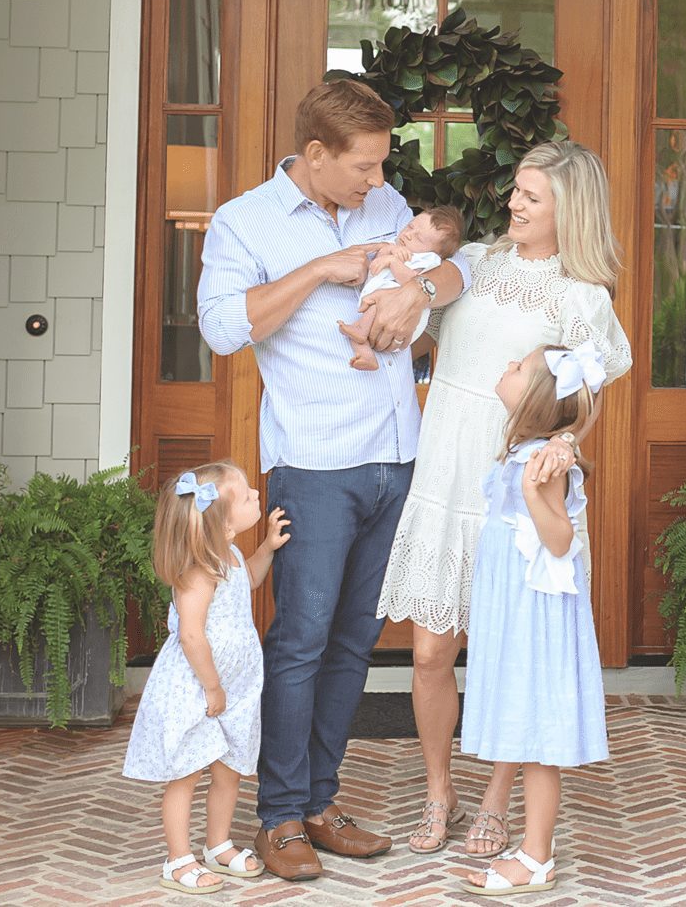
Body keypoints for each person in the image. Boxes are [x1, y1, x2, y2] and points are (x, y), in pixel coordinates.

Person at [196, 79, 472, 881]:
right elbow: (221, 329)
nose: (379, 182)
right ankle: (277, 817)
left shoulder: (387, 210)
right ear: (314, 155)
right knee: (300, 642)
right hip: (314, 466)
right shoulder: (243, 222)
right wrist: (319, 268)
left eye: (383, 165)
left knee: (353, 644)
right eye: (363, 166)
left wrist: (422, 285)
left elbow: (456, 276)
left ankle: (319, 801)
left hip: (398, 461)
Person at [377, 140, 631, 857]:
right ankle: (439, 791)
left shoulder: (581, 296)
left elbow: (584, 398)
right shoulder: (478, 262)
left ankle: (495, 799)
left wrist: (566, 446)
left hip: (507, 486)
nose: (515, 204)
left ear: (568, 210)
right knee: (430, 653)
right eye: (516, 192)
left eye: (532, 197)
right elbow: (422, 335)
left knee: (505, 653)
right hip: (443, 471)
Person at [458, 344, 609, 896]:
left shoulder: (541, 464)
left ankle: (536, 856)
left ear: (539, 402)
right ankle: (533, 852)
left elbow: (561, 539)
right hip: (515, 604)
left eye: (517, 369)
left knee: (540, 733)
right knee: (526, 723)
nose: (506, 367)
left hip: (535, 609)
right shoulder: (529, 449)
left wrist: (530, 489)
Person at [122, 461, 289, 894]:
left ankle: (218, 844)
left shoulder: (229, 555)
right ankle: (177, 860)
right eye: (248, 494)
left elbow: (248, 577)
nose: (257, 495)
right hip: (199, 687)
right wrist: (212, 686)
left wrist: (268, 548)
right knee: (187, 774)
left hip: (233, 687)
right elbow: (192, 635)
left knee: (229, 769)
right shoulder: (197, 571)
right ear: (225, 522)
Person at [339, 205, 463, 370]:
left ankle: (361, 330)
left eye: (418, 239)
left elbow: (412, 282)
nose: (408, 235)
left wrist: (393, 262)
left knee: (379, 308)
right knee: (361, 333)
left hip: (398, 317)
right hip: (375, 302)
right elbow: (376, 264)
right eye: (410, 226)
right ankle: (366, 357)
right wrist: (387, 251)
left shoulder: (427, 259)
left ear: (436, 252)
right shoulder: (397, 245)